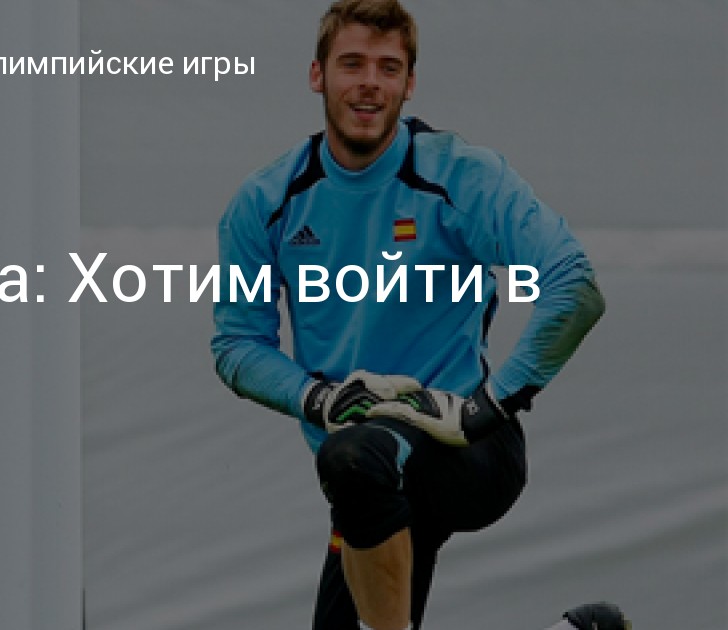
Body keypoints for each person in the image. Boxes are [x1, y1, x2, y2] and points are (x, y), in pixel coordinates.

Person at [210, 1, 617, 629]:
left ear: (409, 83)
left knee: (357, 460)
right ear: (317, 75)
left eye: (388, 67)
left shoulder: (463, 176)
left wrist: (488, 406)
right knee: (356, 461)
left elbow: (575, 286)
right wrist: (317, 398)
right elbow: (237, 344)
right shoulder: (265, 201)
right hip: (358, 469)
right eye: (352, 64)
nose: (369, 83)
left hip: (467, 449)